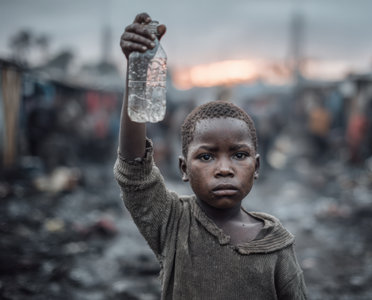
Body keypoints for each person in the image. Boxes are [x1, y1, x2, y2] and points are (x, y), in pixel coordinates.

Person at [114, 12, 307, 299]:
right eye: (206, 157)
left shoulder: (276, 244)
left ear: (256, 167)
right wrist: (137, 75)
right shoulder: (173, 222)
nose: (224, 169)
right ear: (183, 168)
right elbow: (134, 171)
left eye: (239, 155)